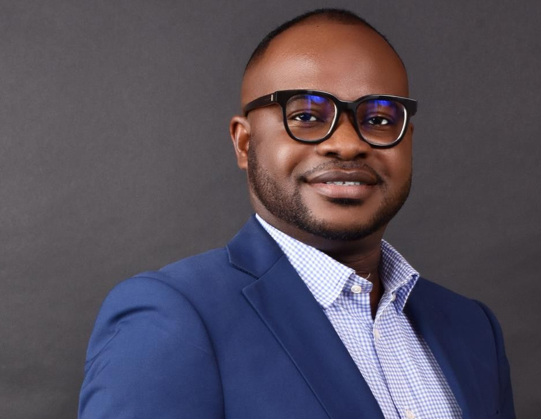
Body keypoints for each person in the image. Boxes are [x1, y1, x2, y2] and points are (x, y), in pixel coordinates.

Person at [79, 8, 515, 419]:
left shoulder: (472, 328)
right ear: (244, 144)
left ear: (408, 140)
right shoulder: (172, 318)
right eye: (306, 115)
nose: (348, 144)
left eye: (380, 119)